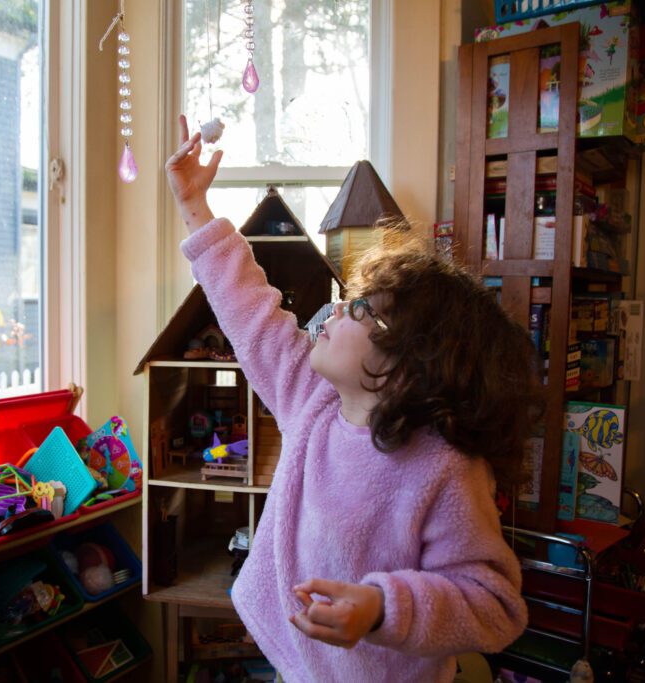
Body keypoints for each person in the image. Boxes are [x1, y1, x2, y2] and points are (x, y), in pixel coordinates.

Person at [165, 115, 543, 682]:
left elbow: (494, 605)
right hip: (298, 666)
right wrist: (195, 204)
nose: (339, 309)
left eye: (362, 308)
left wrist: (382, 608)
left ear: (409, 365)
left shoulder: (444, 468)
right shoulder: (310, 399)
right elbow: (248, 311)